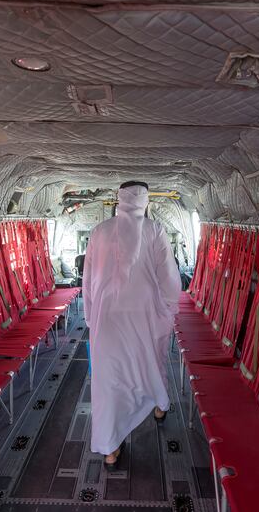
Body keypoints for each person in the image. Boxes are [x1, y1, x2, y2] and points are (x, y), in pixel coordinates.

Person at [82, 181, 181, 470]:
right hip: (145, 317)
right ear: (145, 201)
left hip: (107, 319)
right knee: (149, 364)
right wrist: (170, 310)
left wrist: (90, 318)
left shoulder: (98, 232)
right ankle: (160, 407)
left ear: (118, 200)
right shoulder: (154, 231)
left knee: (109, 383)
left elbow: (87, 281)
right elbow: (170, 279)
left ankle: (110, 450)